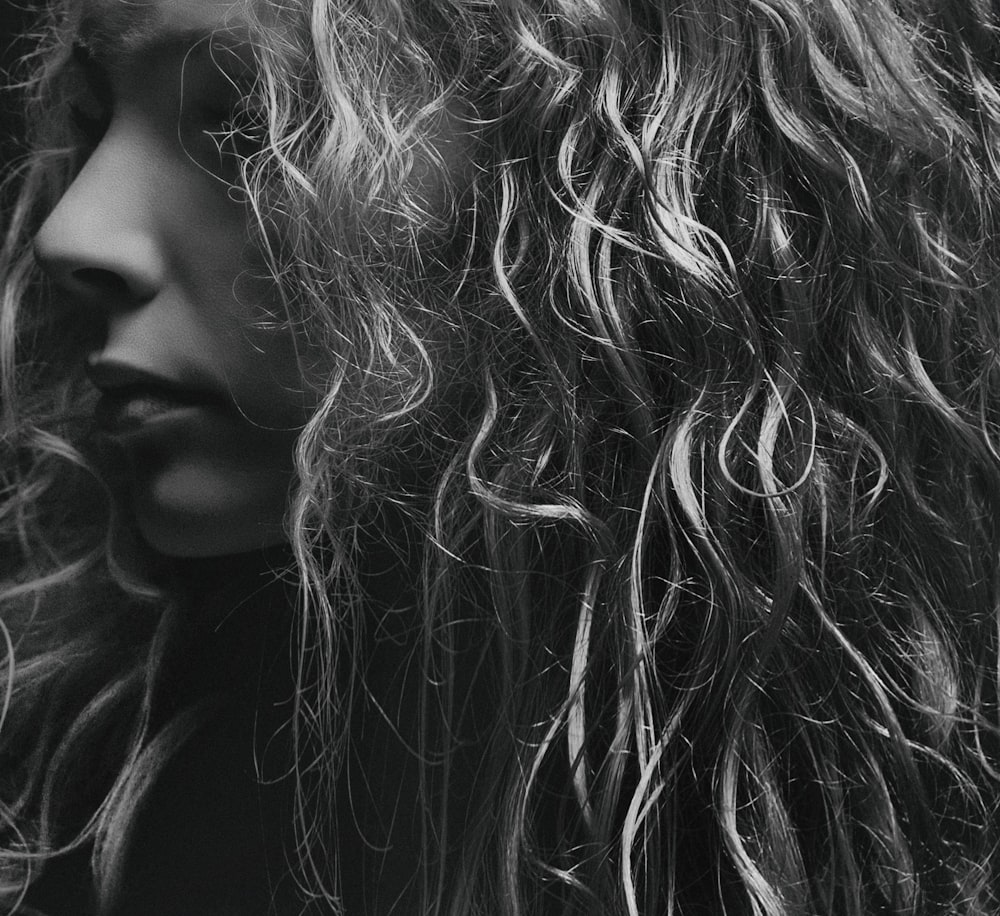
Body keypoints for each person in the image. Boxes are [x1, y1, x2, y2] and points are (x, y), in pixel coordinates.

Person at [2, 0, 1000, 913]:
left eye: (249, 122)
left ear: (582, 182)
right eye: (93, 122)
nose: (71, 231)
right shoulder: (101, 803)